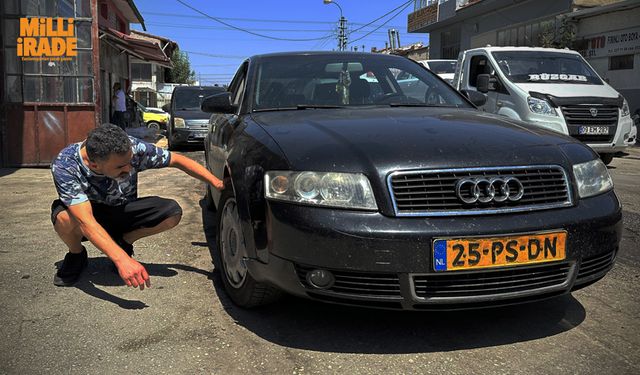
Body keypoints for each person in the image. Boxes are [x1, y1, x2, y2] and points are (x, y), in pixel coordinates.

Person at [50, 124, 224, 290]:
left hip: (122, 209)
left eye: (129, 161)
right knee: (64, 218)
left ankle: (124, 241)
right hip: (90, 216)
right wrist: (122, 260)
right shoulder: (66, 165)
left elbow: (177, 160)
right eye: (120, 166)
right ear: (94, 164)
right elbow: (86, 222)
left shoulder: (133, 148)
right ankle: (76, 254)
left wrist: (216, 183)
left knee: (171, 212)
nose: (129, 168)